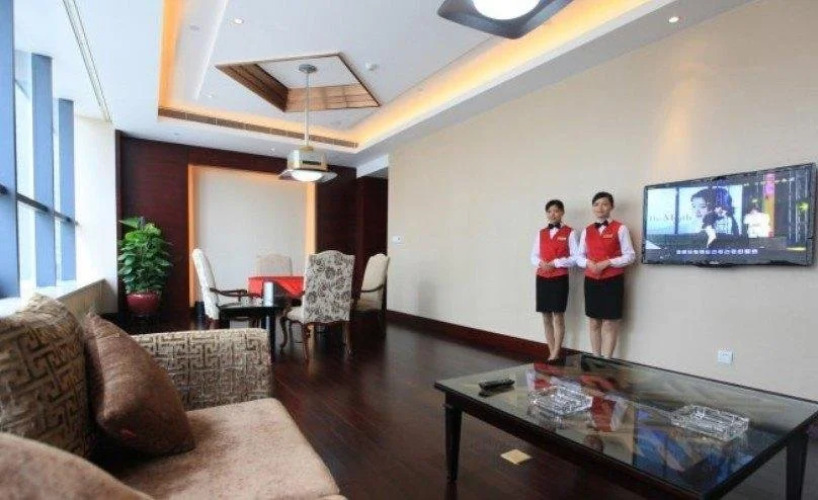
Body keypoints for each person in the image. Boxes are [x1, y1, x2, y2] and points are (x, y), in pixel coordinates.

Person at [575, 192, 635, 358]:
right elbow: (579, 257)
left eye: (604, 204)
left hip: (612, 281)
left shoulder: (620, 228)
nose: (600, 208)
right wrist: (588, 263)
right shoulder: (587, 230)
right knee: (594, 322)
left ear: (611, 207)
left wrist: (608, 262)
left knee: (609, 323)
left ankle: (607, 361)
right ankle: (596, 359)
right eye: (596, 204)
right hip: (591, 281)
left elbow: (630, 256)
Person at [531, 199, 578, 361]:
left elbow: (575, 258)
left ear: (562, 212)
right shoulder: (541, 233)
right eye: (550, 211)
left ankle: (556, 352)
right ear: (547, 214)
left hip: (559, 278)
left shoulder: (570, 232)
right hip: (542, 277)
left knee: (558, 316)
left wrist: (556, 263)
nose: (553, 214)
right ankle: (551, 353)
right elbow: (533, 256)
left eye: (556, 211)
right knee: (545, 316)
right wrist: (541, 263)